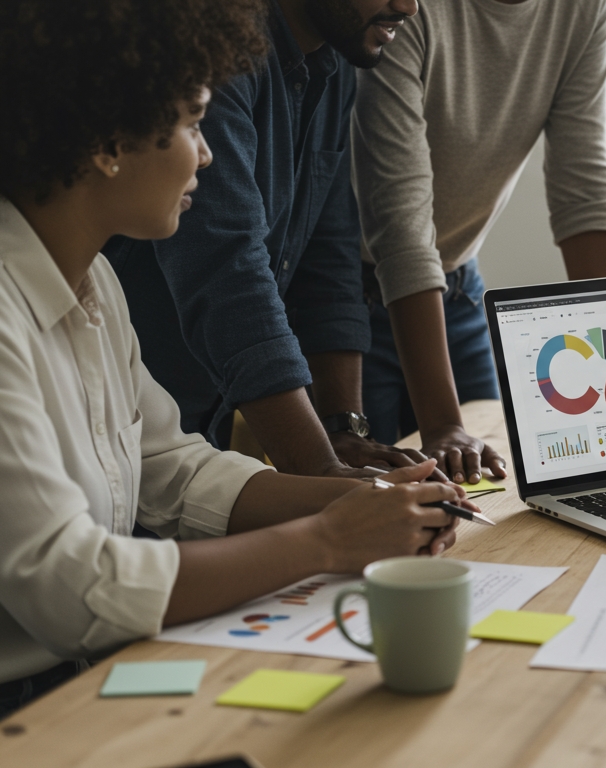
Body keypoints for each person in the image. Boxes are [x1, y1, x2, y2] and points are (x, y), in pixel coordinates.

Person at [0, 0, 477, 717]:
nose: (210, 152)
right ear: (107, 141)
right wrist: (325, 538)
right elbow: (77, 589)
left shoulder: (96, 283)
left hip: (79, 682)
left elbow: (172, 467)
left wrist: (356, 498)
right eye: (194, 121)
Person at [102, 0, 504, 484]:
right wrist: (319, 471)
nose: (409, 6)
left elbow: (328, 256)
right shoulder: (218, 50)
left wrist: (342, 429)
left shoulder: (335, 69)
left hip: (187, 440)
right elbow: (229, 274)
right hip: (117, 410)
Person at [350, 0, 606, 481]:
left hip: (456, 289)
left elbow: (584, 182)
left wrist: (605, 364)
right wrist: (444, 423)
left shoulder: (586, 7)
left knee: (490, 482)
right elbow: (401, 220)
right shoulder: (407, 6)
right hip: (348, 296)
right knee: (374, 502)